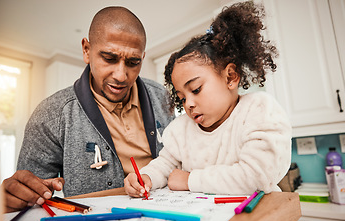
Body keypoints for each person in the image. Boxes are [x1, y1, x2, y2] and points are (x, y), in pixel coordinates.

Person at [2, 6, 174, 212]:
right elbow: (27, 198)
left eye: (133, 62)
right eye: (109, 58)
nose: (121, 75)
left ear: (143, 58)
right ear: (86, 50)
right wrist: (16, 197)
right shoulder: (50, 114)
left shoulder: (163, 97)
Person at [124, 1, 292, 198]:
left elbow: (257, 177)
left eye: (196, 89)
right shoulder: (181, 129)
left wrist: (189, 180)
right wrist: (146, 176)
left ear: (230, 77)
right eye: (181, 98)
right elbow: (166, 165)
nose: (188, 104)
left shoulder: (260, 110)